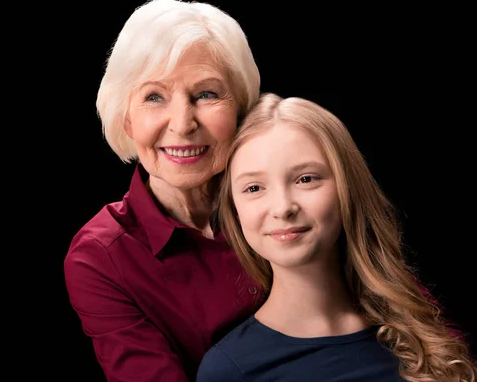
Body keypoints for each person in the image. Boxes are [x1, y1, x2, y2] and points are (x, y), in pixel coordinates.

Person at [196, 93, 477, 381]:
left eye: (306, 179)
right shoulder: (231, 369)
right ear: (234, 209)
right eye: (254, 188)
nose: (283, 207)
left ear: (348, 188)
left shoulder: (422, 335)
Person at [63, 0, 262, 381]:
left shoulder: (285, 197)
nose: (183, 124)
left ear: (240, 107)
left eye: (206, 94)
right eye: (154, 97)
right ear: (127, 119)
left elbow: (394, 304)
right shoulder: (100, 256)